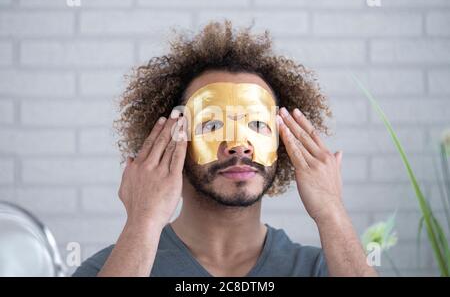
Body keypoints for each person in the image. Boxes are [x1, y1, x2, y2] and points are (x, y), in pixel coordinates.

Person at [72, 21, 377, 277]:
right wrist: (144, 222)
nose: (237, 145)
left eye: (257, 125)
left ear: (282, 143)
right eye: (211, 125)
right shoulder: (109, 268)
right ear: (172, 138)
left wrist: (332, 211)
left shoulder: (323, 269)